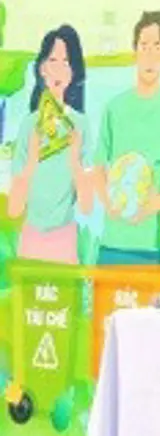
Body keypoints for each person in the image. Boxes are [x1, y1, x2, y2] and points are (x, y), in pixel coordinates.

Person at [94, 12, 160, 266]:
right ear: (134, 50)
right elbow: (99, 167)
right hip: (111, 240)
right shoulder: (114, 107)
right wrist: (108, 203)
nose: (149, 54)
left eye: (156, 46)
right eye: (143, 45)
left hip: (150, 243)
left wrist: (151, 206)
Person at [10, 25, 96, 264]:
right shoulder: (29, 126)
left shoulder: (80, 125)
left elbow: (88, 205)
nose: (59, 69)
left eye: (66, 61)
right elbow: (15, 208)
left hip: (64, 239)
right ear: (41, 68)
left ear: (74, 72)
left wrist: (75, 160)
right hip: (30, 239)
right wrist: (31, 162)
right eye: (53, 60)